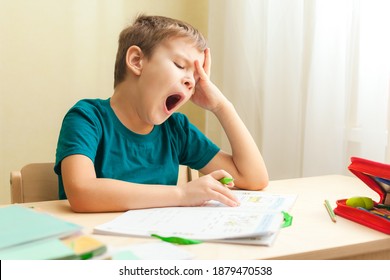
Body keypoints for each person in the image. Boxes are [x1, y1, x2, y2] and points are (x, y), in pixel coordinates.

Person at [54, 14, 268, 213]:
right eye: (179, 65)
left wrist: (221, 106)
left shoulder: (176, 129)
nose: (191, 81)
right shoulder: (87, 118)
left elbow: (254, 178)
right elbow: (82, 192)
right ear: (137, 61)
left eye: (197, 76)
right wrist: (182, 194)